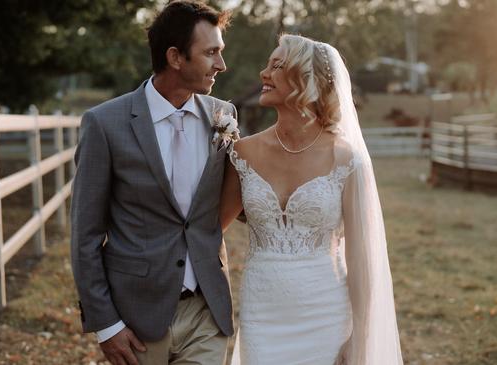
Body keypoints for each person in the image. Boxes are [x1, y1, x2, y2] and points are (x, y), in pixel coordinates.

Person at [70, 2, 237, 364]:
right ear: (175, 57)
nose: (221, 65)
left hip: (206, 313)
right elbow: (85, 234)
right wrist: (106, 325)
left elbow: (239, 198)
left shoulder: (224, 116)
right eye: (211, 53)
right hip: (136, 319)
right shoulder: (104, 124)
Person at [221, 34, 403, 364]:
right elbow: (206, 229)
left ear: (306, 79)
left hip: (327, 313)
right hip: (263, 314)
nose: (264, 73)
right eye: (267, 64)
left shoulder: (346, 158)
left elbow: (361, 259)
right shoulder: (242, 153)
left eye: (277, 65)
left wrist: (358, 337)